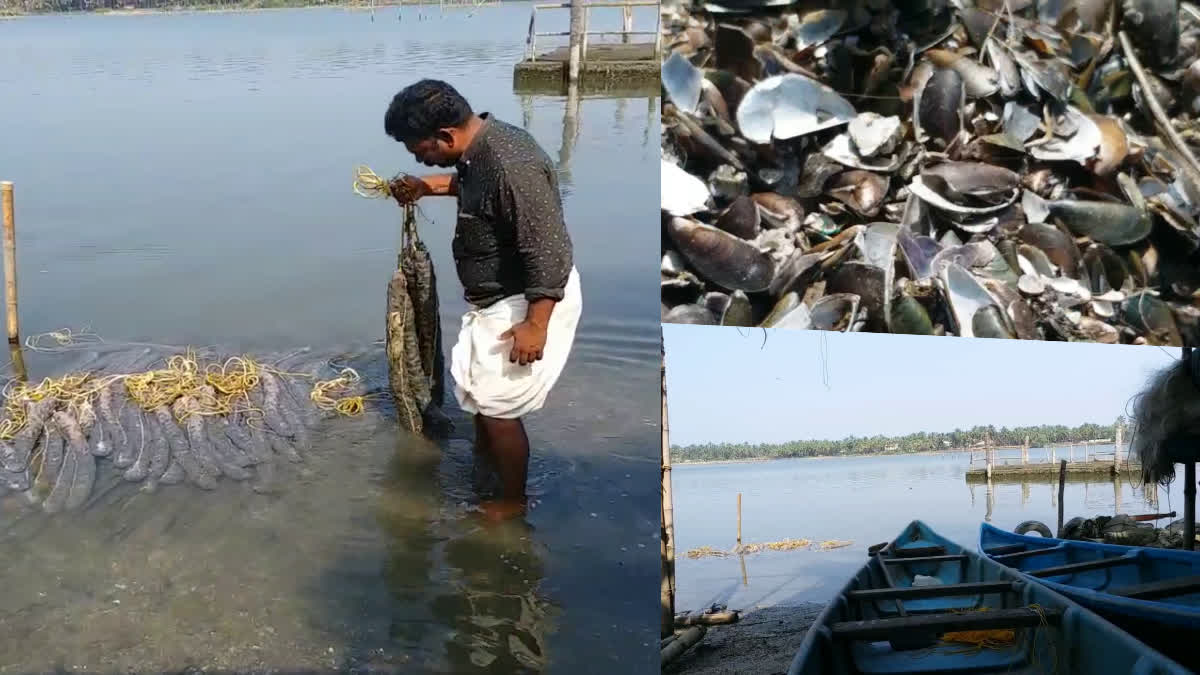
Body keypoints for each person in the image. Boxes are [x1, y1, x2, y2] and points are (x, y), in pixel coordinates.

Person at [382, 79, 582, 521]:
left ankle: (509, 505)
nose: (418, 158)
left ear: (447, 137)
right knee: (480, 397)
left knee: (497, 408)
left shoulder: (511, 164)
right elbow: (477, 187)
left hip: (529, 298)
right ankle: (488, 474)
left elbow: (548, 250)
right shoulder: (483, 149)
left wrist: (536, 324)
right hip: (502, 299)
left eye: (422, 151)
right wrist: (427, 185)